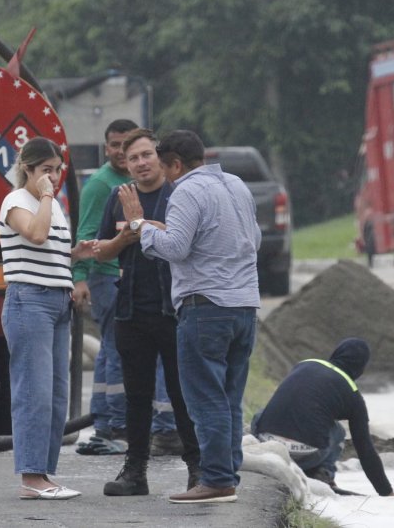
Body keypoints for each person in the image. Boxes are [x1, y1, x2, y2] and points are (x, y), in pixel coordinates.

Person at [135, 130, 261, 504]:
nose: (162, 175)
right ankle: (227, 473)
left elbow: (175, 247)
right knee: (229, 398)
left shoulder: (186, 191)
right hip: (244, 305)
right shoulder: (236, 185)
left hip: (205, 306)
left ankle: (217, 479)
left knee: (205, 399)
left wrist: (141, 228)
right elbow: (252, 239)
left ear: (175, 163)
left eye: (163, 166)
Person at [89, 129, 201, 496]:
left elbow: (188, 242)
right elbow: (101, 251)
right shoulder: (118, 197)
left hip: (174, 310)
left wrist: (141, 223)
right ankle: (135, 472)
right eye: (132, 157)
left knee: (181, 393)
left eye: (146, 155)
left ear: (161, 157)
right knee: (136, 396)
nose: (139, 163)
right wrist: (125, 235)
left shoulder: (179, 194)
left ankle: (198, 470)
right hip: (131, 309)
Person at [0, 137, 96, 500]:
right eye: (45, 170)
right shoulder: (17, 201)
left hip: (57, 301)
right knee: (33, 393)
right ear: (27, 168)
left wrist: (75, 253)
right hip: (29, 302)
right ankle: (31, 477)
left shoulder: (52, 205)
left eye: (56, 171)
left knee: (56, 395)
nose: (52, 178)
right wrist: (44, 195)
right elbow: (35, 235)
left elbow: (47, 253)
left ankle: (44, 473)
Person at [251, 338, 394, 497]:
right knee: (338, 431)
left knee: (261, 413)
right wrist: (386, 492)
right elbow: (365, 449)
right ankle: (323, 475)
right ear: (361, 367)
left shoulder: (304, 364)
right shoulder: (352, 394)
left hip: (267, 442)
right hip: (305, 456)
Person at [73, 119, 134, 455]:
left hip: (127, 276)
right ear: (105, 147)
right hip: (105, 275)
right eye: (114, 145)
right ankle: (112, 424)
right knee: (115, 348)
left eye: (127, 144)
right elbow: (85, 233)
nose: (121, 151)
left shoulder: (136, 179)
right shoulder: (101, 185)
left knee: (115, 349)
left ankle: (105, 418)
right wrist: (79, 277)